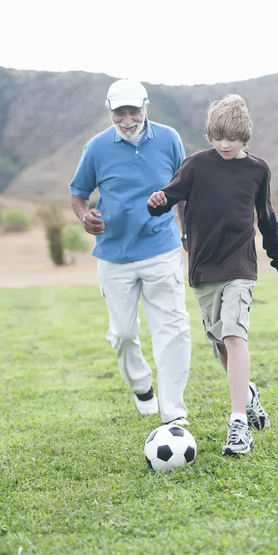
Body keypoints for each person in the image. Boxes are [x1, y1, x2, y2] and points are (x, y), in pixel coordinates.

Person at [147, 94, 278, 455]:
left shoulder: (258, 170)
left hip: (240, 265)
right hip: (203, 268)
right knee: (220, 345)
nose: (224, 145)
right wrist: (157, 203)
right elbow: (169, 196)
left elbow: (267, 219)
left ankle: (238, 424)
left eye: (231, 138)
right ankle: (248, 394)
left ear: (245, 136)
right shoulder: (196, 165)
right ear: (210, 135)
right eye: (218, 137)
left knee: (233, 334)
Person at [69, 78, 191, 425]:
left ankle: (174, 415)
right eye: (119, 113)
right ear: (110, 112)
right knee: (123, 334)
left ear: (145, 107)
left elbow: (184, 189)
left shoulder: (169, 139)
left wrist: (187, 234)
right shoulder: (95, 148)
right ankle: (141, 386)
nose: (127, 120)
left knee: (173, 329)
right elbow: (78, 193)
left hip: (161, 248)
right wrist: (85, 217)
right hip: (114, 255)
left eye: (133, 111)